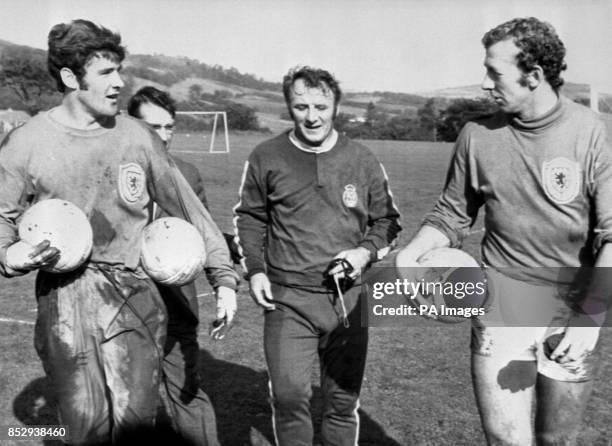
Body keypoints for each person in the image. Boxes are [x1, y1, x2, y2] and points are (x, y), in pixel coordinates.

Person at [0, 20, 238, 445]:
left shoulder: (137, 137)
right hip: (64, 297)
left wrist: (223, 278)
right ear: (71, 78)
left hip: (134, 294)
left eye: (119, 71)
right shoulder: (26, 141)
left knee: (134, 427)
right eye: (106, 73)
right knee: (84, 426)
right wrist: (9, 256)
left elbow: (189, 207)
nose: (120, 83)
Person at [396, 17, 612, 445]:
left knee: (557, 440)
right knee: (504, 439)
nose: (484, 83)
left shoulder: (591, 131)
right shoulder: (477, 135)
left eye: (495, 72)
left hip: (573, 305)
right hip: (501, 302)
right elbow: (450, 215)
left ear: (533, 76)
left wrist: (590, 318)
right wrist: (408, 256)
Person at [234, 66, 401, 446]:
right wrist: (255, 271)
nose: (312, 116)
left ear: (336, 106)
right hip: (288, 298)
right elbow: (249, 218)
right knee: (290, 396)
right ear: (289, 108)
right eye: (301, 106)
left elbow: (388, 222)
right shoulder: (266, 155)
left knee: (342, 402)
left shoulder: (363, 159)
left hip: (350, 299)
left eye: (321, 106)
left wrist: (363, 252)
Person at [127, 86, 232, 445]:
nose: (163, 135)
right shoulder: (112, 171)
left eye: (169, 127)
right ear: (130, 125)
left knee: (187, 393)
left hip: (177, 304)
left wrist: (222, 279)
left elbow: (203, 232)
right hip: (125, 305)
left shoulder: (186, 172)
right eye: (153, 127)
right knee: (131, 401)